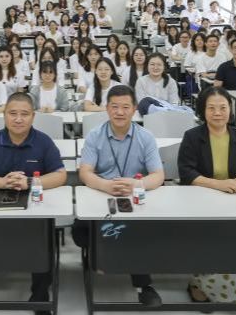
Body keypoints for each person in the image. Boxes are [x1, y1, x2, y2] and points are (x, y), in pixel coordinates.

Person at [0, 93, 67, 314]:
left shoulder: (43, 142)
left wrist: (30, 182)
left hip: (33, 211)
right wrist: (2, 182)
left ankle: (39, 299)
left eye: (24, 114)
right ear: (4, 115)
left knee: (45, 240)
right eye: (12, 113)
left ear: (33, 116)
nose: (18, 119)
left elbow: (60, 175)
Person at [74, 85, 165, 308]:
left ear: (134, 109)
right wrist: (105, 185)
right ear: (107, 109)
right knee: (80, 232)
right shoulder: (95, 136)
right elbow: (85, 172)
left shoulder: (145, 137)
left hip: (134, 199)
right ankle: (104, 256)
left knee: (137, 230)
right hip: (101, 196)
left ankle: (143, 285)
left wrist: (136, 184)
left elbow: (158, 175)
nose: (120, 112)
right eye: (114, 107)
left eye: (125, 107)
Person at [177, 87, 236, 304]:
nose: (218, 113)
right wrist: (218, 184)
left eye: (223, 108)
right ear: (203, 111)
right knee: (210, 238)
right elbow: (186, 172)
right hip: (203, 201)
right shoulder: (192, 136)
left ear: (230, 110)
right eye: (211, 108)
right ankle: (199, 283)